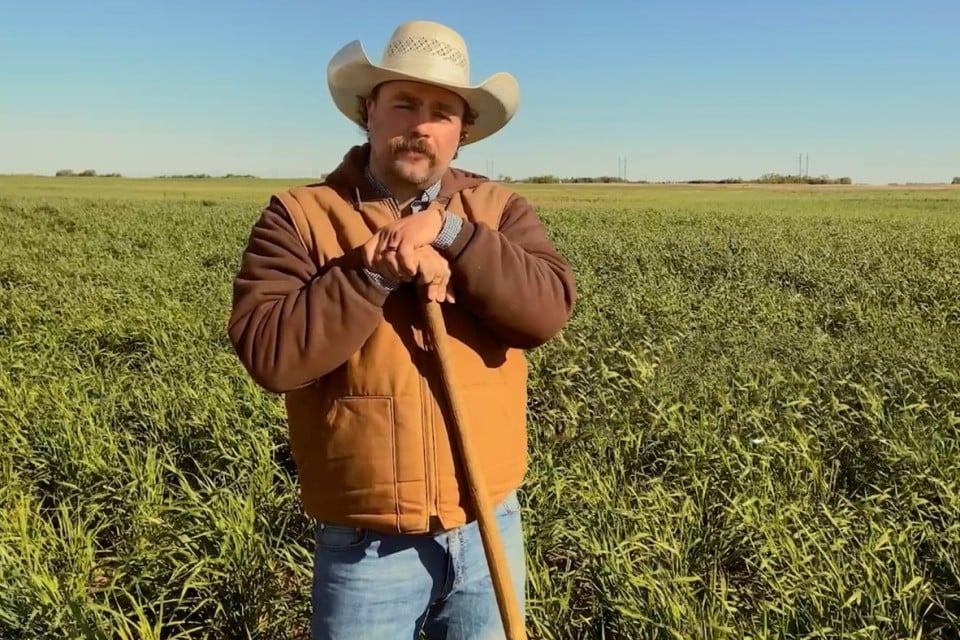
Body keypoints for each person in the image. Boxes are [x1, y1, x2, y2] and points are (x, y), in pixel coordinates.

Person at [227, 19, 576, 639]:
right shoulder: (302, 215)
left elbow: (546, 309)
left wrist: (450, 235)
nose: (421, 124)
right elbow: (271, 354)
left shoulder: (496, 210)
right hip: (367, 546)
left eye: (442, 112)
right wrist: (374, 271)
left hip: (487, 520)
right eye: (404, 103)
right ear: (369, 113)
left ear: (461, 135)